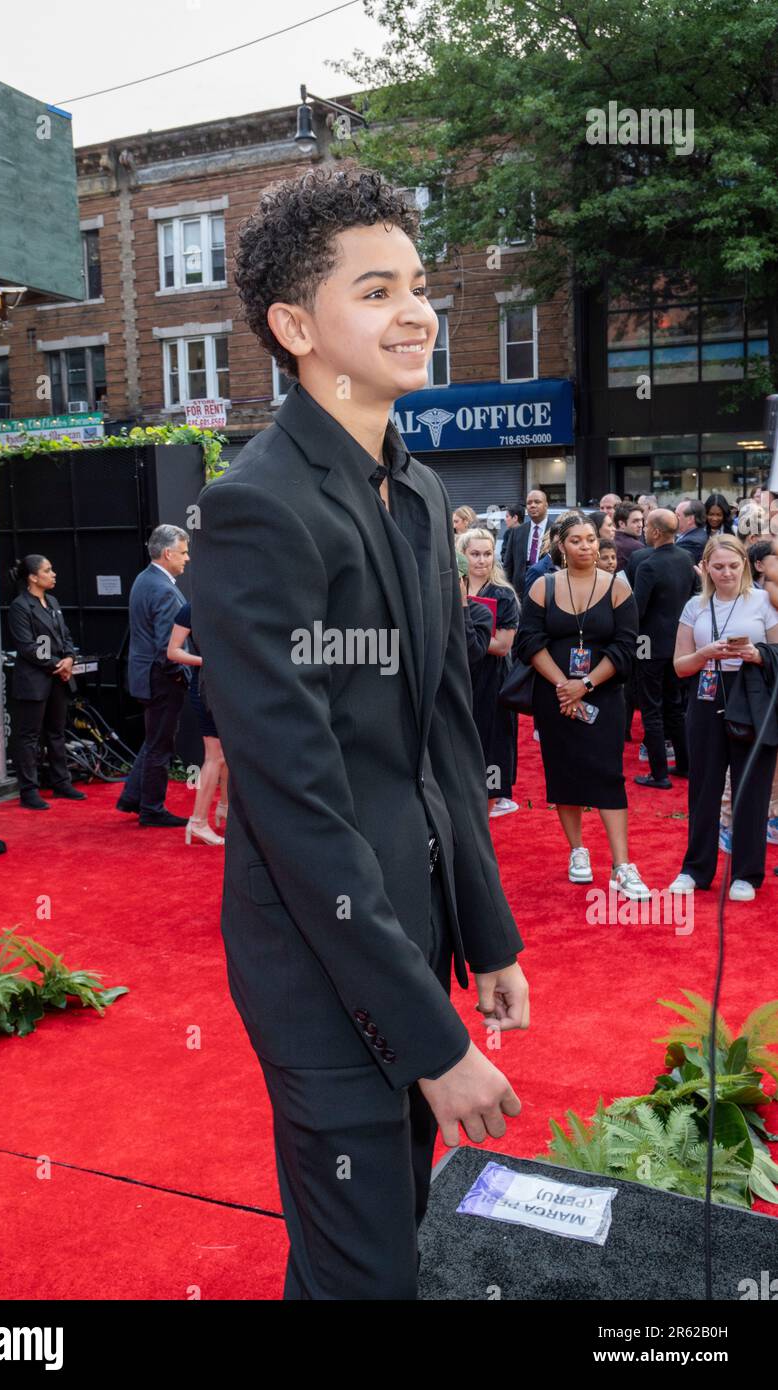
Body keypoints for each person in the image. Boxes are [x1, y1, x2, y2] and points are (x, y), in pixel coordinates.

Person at [191, 164, 528, 1301]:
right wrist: (430, 1039)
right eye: (375, 290)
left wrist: (485, 935)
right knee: (369, 1270)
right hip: (320, 968)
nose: (416, 310)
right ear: (295, 326)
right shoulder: (254, 508)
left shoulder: (423, 493)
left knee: (375, 1252)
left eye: (417, 285)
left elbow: (445, 734)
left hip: (414, 938)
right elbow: (294, 802)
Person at [515, 511, 649, 899]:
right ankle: (578, 851)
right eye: (577, 540)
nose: (586, 546)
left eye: (591, 539)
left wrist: (586, 684)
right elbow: (528, 642)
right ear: (561, 545)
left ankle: (622, 865)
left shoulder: (618, 589)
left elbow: (626, 647)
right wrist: (564, 686)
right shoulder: (543, 586)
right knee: (564, 775)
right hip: (554, 697)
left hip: (603, 696)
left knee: (609, 775)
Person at [669, 534, 778, 902]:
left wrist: (757, 654)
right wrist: (704, 654)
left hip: (752, 695)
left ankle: (747, 873)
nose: (726, 572)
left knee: (752, 785)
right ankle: (696, 869)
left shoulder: (764, 601)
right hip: (706, 692)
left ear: (745, 565)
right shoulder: (694, 606)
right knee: (703, 786)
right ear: (706, 568)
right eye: (718, 566)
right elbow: (680, 666)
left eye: (733, 565)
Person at [117, 524, 191, 828]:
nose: (188, 558)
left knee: (153, 740)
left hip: (145, 675)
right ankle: (152, 808)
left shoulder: (144, 579)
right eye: (184, 552)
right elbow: (167, 647)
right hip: (161, 678)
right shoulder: (162, 589)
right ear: (168, 553)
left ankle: (132, 797)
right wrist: (180, 674)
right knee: (161, 745)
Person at [6, 555, 87, 810]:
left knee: (56, 732)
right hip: (34, 680)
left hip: (57, 679)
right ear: (32, 577)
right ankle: (28, 790)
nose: (53, 574)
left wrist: (70, 659)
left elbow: (66, 636)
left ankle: (61, 782)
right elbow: (27, 646)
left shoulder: (52, 601)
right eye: (47, 570)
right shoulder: (20, 607)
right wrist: (57, 665)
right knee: (29, 736)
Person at [631, 508, 696, 790]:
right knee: (675, 706)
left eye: (646, 526)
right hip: (679, 644)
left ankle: (659, 774)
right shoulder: (686, 558)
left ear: (656, 532)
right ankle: (684, 764)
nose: (644, 530)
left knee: (651, 708)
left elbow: (638, 609)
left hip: (650, 646)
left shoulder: (648, 564)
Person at [457, 528, 519, 817]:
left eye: (487, 553)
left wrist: (467, 636)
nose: (482, 560)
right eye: (475, 554)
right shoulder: (451, 588)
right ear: (462, 555)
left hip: (491, 680)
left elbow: (504, 646)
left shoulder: (503, 595)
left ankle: (487, 810)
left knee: (492, 743)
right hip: (458, 676)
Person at [166, 602, 228, 847]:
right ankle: (198, 822)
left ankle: (224, 808)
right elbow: (173, 651)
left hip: (227, 689)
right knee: (216, 756)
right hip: (206, 688)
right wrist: (207, 661)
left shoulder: (228, 603)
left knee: (227, 754)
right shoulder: (192, 608)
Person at [505, 488, 549, 598]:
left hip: (548, 589)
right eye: (529, 503)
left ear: (546, 505)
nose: (532, 505)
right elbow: (508, 564)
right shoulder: (517, 531)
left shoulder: (555, 531)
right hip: (520, 592)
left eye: (537, 502)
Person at [611, 502, 645, 573]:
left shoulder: (611, 540)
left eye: (641, 520)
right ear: (621, 524)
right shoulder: (635, 546)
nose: (641, 525)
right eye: (635, 521)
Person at [674, 499, 708, 563]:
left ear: (690, 519)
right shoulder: (696, 534)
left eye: (678, 515)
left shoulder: (691, 542)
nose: (673, 517)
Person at [500, 502, 525, 570]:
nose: (505, 519)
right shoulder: (508, 533)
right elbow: (503, 554)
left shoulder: (529, 532)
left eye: (507, 516)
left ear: (515, 518)